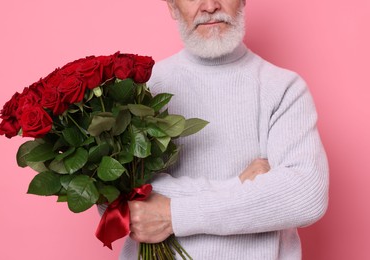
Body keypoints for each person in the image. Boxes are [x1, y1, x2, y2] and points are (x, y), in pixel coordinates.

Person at [124, 0, 329, 259]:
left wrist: (173, 215)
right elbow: (118, 201)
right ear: (172, 6)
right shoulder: (145, 89)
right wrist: (238, 184)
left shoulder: (284, 88)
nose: (209, 6)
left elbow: (305, 196)